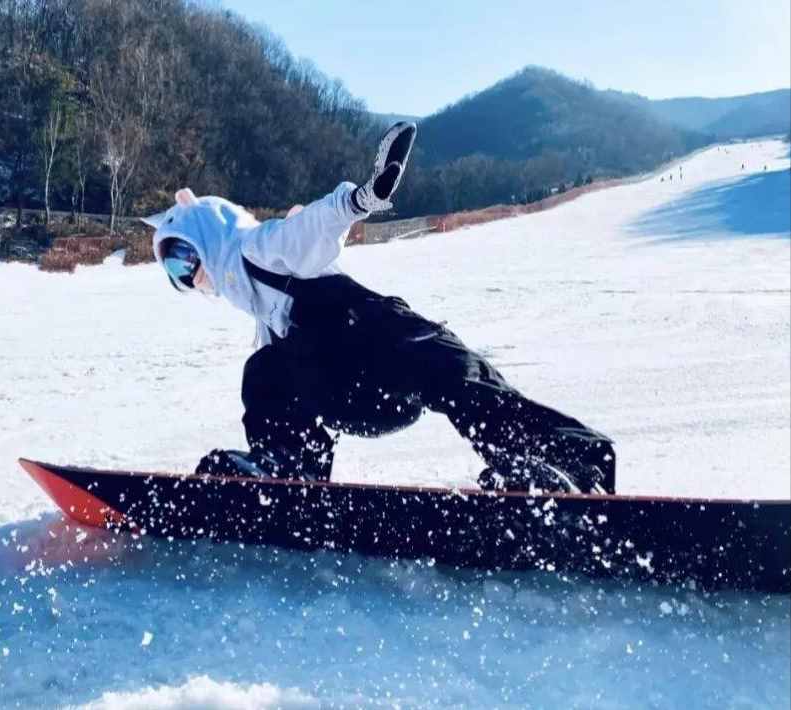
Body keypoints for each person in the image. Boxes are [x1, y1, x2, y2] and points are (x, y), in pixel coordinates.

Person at [143, 123, 616, 494]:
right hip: (351, 391)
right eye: (174, 273)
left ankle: (567, 465)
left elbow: (310, 229)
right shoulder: (264, 317)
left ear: (208, 232)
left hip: (382, 354)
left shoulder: (259, 247)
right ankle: (285, 473)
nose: (188, 275)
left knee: (453, 372)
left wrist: (360, 200)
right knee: (264, 370)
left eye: (184, 256)